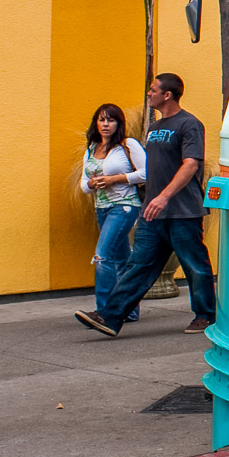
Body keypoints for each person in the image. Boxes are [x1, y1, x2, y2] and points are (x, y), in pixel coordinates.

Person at [75, 73, 213, 336]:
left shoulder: (189, 124)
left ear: (167, 95)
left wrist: (164, 196)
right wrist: (151, 199)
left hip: (182, 211)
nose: (149, 94)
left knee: (195, 265)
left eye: (153, 90)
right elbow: (153, 169)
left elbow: (191, 164)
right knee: (138, 266)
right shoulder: (154, 128)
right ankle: (110, 317)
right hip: (152, 212)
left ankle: (205, 315)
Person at [80, 103, 146, 324]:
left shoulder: (127, 145)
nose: (105, 124)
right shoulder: (92, 148)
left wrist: (115, 179)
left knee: (103, 256)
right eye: (101, 119)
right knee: (121, 260)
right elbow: (83, 185)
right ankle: (130, 310)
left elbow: (147, 172)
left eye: (111, 120)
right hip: (102, 208)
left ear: (118, 123)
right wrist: (91, 182)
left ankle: (105, 312)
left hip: (125, 206)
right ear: (96, 123)